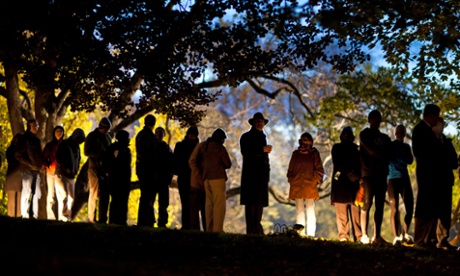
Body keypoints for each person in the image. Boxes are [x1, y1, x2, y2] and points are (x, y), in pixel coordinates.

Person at [359, 110, 393, 244]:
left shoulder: (385, 138)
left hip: (382, 173)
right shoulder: (364, 134)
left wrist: (380, 154)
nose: (375, 120)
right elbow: (369, 149)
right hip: (368, 173)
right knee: (367, 203)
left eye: (377, 118)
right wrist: (378, 154)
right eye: (373, 118)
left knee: (380, 204)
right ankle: (364, 235)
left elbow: (389, 153)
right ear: (369, 119)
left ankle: (376, 236)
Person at [189, 128, 232, 233]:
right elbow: (228, 164)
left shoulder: (204, 146)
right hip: (218, 178)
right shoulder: (219, 148)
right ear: (221, 139)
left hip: (206, 179)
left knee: (209, 205)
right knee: (219, 205)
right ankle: (217, 229)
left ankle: (209, 229)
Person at [240, 112, 272, 235]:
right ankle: (252, 232)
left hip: (261, 176)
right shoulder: (246, 137)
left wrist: (267, 174)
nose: (259, 123)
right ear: (253, 122)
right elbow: (246, 153)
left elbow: (265, 159)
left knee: (258, 206)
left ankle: (256, 231)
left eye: (261, 121)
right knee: (251, 205)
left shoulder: (263, 137)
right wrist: (261, 150)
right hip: (251, 176)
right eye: (257, 121)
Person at [287, 132, 324, 238]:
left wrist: (314, 180)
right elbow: (291, 169)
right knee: (299, 209)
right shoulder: (296, 154)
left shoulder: (314, 153)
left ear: (311, 142)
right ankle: (300, 232)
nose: (305, 142)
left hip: (310, 185)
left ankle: (311, 233)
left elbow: (319, 169)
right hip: (297, 184)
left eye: (307, 140)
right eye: (303, 140)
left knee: (310, 209)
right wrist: (292, 180)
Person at [330, 126, 362, 242]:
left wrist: (357, 176)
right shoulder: (337, 148)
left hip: (354, 185)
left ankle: (358, 237)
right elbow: (338, 162)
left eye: (348, 134)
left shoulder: (356, 150)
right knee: (341, 214)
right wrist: (349, 173)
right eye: (344, 134)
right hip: (340, 184)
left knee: (356, 214)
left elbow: (360, 165)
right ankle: (343, 236)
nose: (346, 136)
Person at [431, 117, 458, 250]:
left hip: (447, 179)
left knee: (446, 211)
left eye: (442, 125)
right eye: (439, 124)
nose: (441, 127)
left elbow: (454, 161)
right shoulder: (430, 141)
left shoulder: (447, 142)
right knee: (434, 210)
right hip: (435, 180)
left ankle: (443, 239)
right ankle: (432, 239)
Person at [388, 125, 415, 246]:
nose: (399, 134)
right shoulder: (390, 146)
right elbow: (389, 158)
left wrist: (399, 158)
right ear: (395, 133)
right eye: (398, 132)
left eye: (402, 132)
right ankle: (397, 237)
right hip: (393, 179)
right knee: (394, 209)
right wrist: (400, 159)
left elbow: (410, 160)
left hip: (404, 178)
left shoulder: (406, 146)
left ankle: (405, 233)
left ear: (404, 134)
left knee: (409, 207)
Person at [84, 117, 112, 223]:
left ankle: (102, 218)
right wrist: (99, 154)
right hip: (94, 167)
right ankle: (92, 217)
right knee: (94, 193)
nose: (106, 131)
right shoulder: (92, 136)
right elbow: (87, 152)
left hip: (104, 169)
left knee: (105, 194)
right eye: (105, 128)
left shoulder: (108, 137)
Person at [54, 128, 86, 221]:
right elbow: (58, 158)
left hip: (71, 175)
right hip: (61, 174)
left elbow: (78, 159)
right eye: (80, 139)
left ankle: (68, 216)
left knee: (71, 197)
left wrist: (76, 170)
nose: (80, 142)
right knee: (63, 196)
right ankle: (63, 217)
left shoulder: (77, 147)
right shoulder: (64, 144)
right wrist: (65, 169)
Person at [15, 119, 44, 219]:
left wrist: (40, 165)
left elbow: (39, 155)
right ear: (29, 126)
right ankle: (24, 215)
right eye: (34, 126)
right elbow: (18, 155)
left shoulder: (37, 140)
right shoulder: (24, 139)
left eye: (37, 126)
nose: (36, 128)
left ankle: (35, 215)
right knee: (27, 192)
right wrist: (30, 164)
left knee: (37, 193)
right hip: (27, 169)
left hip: (36, 170)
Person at [173, 126, 199, 230]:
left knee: (186, 202)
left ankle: (188, 225)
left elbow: (175, 161)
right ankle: (191, 225)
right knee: (189, 202)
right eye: (191, 135)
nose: (192, 137)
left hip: (184, 176)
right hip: (190, 177)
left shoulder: (180, 145)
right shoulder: (198, 147)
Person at [135, 114, 160, 227]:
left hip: (141, 169)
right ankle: (147, 221)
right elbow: (152, 154)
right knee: (149, 196)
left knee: (144, 195)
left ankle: (143, 220)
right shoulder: (150, 136)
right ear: (153, 124)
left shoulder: (140, 135)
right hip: (149, 170)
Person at [104, 130, 132, 225]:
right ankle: (116, 220)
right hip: (117, 179)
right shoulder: (115, 149)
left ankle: (120, 220)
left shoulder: (122, 149)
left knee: (121, 200)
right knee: (117, 200)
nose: (129, 140)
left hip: (121, 179)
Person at [42, 126, 65, 220]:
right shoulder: (50, 145)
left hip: (61, 173)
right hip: (51, 172)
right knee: (51, 195)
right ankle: (50, 217)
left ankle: (61, 217)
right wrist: (47, 164)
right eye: (57, 131)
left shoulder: (65, 145)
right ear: (54, 133)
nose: (59, 133)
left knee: (61, 195)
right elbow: (43, 157)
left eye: (61, 131)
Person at [155, 127, 174, 227]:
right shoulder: (153, 146)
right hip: (155, 177)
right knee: (152, 200)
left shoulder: (166, 147)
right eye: (158, 133)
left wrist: (170, 174)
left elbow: (171, 162)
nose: (159, 135)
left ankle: (162, 221)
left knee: (163, 201)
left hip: (163, 178)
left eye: (161, 133)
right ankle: (154, 221)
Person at [5, 133, 23, 217]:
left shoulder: (10, 149)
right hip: (15, 174)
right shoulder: (17, 150)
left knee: (16, 196)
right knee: (16, 196)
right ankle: (15, 214)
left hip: (12, 175)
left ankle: (12, 214)